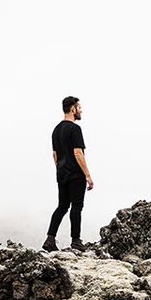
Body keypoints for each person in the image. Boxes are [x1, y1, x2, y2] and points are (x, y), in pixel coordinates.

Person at [42, 96, 94, 252]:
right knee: (76, 207)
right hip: (75, 174)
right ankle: (76, 241)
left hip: (62, 173)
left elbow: (55, 155)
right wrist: (88, 175)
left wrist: (60, 169)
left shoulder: (56, 130)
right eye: (79, 107)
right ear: (73, 109)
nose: (81, 110)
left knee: (62, 206)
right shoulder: (75, 129)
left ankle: (50, 239)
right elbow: (78, 153)